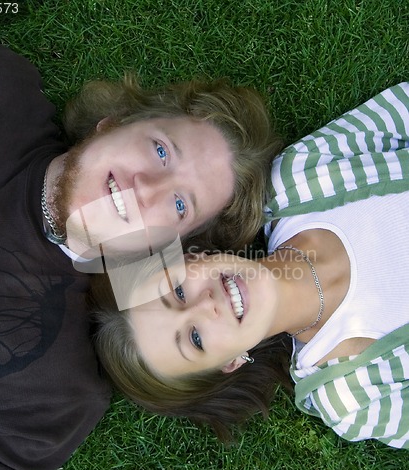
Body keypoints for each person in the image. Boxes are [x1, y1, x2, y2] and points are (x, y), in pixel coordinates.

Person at [0, 31, 282, 470]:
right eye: (160, 150)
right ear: (111, 123)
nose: (146, 187)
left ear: (170, 247)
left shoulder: (54, 391)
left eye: (179, 205)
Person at [91, 82, 409, 449]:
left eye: (177, 290)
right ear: (231, 363)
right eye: (195, 338)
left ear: (190, 257)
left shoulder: (302, 180)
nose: (204, 305)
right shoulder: (350, 396)